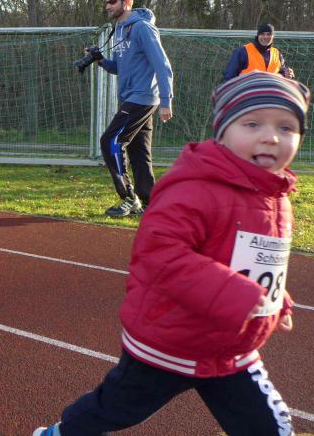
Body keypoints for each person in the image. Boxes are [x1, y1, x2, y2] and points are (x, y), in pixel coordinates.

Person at [33, 71, 309, 436]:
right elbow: (160, 253)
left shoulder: (277, 198)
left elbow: (258, 262)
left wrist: (276, 300)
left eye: (286, 127)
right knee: (113, 410)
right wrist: (234, 292)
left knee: (271, 427)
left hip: (230, 352)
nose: (271, 136)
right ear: (222, 132)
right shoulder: (194, 188)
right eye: (252, 123)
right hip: (169, 344)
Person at [90, 0, 173, 217]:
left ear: (126, 2)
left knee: (111, 140)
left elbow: (163, 65)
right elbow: (119, 67)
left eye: (112, 2)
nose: (108, 6)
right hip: (132, 97)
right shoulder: (119, 29)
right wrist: (100, 60)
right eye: (106, 2)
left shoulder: (143, 28)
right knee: (139, 151)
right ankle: (149, 202)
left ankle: (128, 196)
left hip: (143, 97)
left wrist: (166, 100)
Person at [223, 22, 295, 82]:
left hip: (271, 93)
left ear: (273, 36)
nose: (265, 37)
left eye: (269, 34)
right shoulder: (243, 51)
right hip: (248, 93)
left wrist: (286, 74)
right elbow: (229, 77)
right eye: (262, 34)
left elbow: (281, 73)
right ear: (258, 35)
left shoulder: (277, 53)